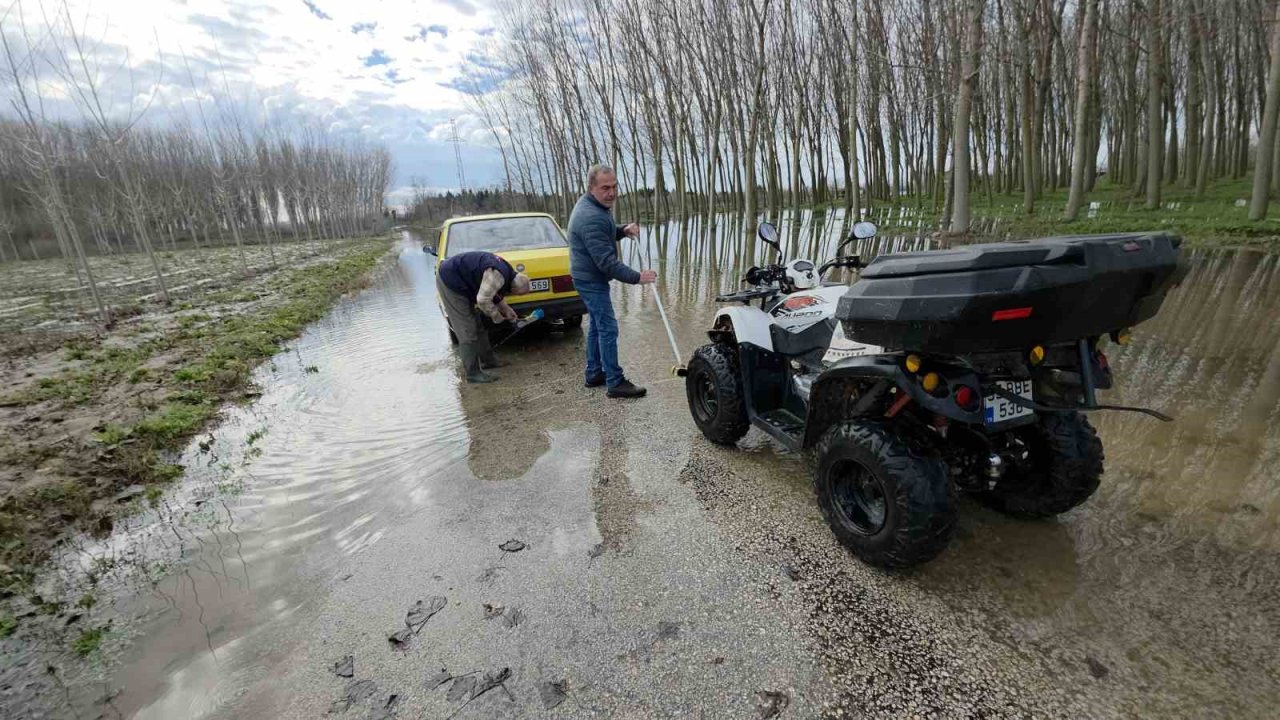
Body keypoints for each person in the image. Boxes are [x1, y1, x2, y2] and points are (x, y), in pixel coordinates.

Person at [567, 164, 657, 399]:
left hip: (587, 275)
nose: (612, 193)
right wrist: (639, 278)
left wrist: (622, 230)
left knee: (597, 326)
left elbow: (604, 231)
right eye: (605, 188)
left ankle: (594, 373)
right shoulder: (590, 216)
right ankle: (615, 382)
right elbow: (607, 263)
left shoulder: (595, 206)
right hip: (590, 279)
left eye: (614, 186)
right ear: (591, 188)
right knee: (608, 327)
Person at [436, 250, 532, 384]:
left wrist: (506, 309)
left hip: (464, 281)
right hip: (451, 282)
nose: (515, 296)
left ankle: (489, 361)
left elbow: (492, 290)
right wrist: (496, 316)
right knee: (467, 329)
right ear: (514, 289)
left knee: (478, 326)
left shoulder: (508, 272)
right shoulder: (499, 275)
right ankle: (473, 374)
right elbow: (482, 300)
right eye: (518, 294)